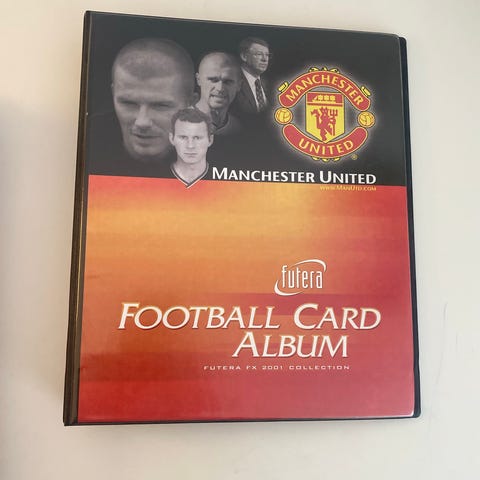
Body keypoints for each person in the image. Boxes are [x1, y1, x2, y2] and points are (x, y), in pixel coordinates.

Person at [88, 38, 195, 176]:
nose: (142, 122)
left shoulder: (218, 153)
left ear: (191, 104)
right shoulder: (86, 140)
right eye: (128, 103)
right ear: (113, 93)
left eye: (161, 106)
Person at [194, 52, 242, 135]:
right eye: (213, 80)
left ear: (239, 85)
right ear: (198, 80)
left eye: (227, 82)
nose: (220, 88)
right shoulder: (178, 124)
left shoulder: (237, 129)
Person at [169, 108, 214, 187]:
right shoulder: (155, 176)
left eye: (197, 138)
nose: (190, 146)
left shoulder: (223, 179)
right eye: (183, 137)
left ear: (210, 140)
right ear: (171, 138)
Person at [231, 37, 271, 116]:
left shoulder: (268, 84)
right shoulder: (232, 82)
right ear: (244, 57)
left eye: (267, 55)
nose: (265, 59)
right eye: (259, 54)